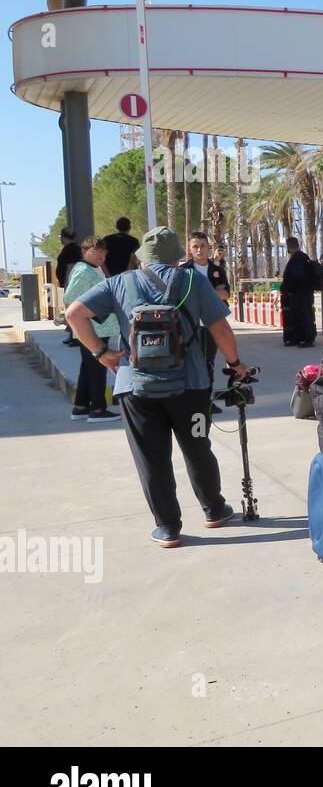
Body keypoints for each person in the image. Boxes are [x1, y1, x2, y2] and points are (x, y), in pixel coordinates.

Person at [64, 226, 251, 547]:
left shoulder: (118, 283)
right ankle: (215, 510)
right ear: (179, 253)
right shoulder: (194, 281)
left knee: (151, 458)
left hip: (136, 389)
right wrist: (236, 365)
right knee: (197, 447)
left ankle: (167, 527)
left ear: (143, 256)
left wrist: (101, 352)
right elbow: (219, 328)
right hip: (190, 388)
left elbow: (74, 313)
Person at [63, 237, 120, 423]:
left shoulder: (91, 269)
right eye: (96, 251)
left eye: (104, 252)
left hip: (96, 327)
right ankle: (98, 409)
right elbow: (70, 297)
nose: (101, 255)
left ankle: (80, 406)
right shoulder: (84, 271)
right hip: (93, 328)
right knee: (97, 367)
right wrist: (75, 323)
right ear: (85, 251)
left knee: (88, 368)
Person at [181, 231, 231, 414]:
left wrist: (201, 295)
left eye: (202, 246)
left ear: (208, 247)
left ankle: (207, 401)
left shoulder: (217, 270)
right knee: (190, 363)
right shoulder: (184, 270)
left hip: (211, 324)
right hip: (190, 325)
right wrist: (212, 293)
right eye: (195, 246)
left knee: (208, 363)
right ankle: (191, 401)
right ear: (189, 248)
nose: (199, 249)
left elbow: (225, 294)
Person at [279, 236, 316, 347]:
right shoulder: (302, 257)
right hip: (303, 294)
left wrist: (288, 289)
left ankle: (306, 339)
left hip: (299, 295)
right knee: (300, 316)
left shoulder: (297, 259)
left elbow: (295, 278)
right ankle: (298, 338)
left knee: (303, 317)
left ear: (289, 247)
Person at [55, 228, 80, 345]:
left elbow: (71, 268)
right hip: (69, 284)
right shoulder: (74, 249)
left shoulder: (71, 250)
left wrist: (67, 284)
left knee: (72, 311)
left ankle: (75, 338)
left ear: (63, 237)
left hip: (70, 285)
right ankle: (73, 335)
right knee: (70, 311)